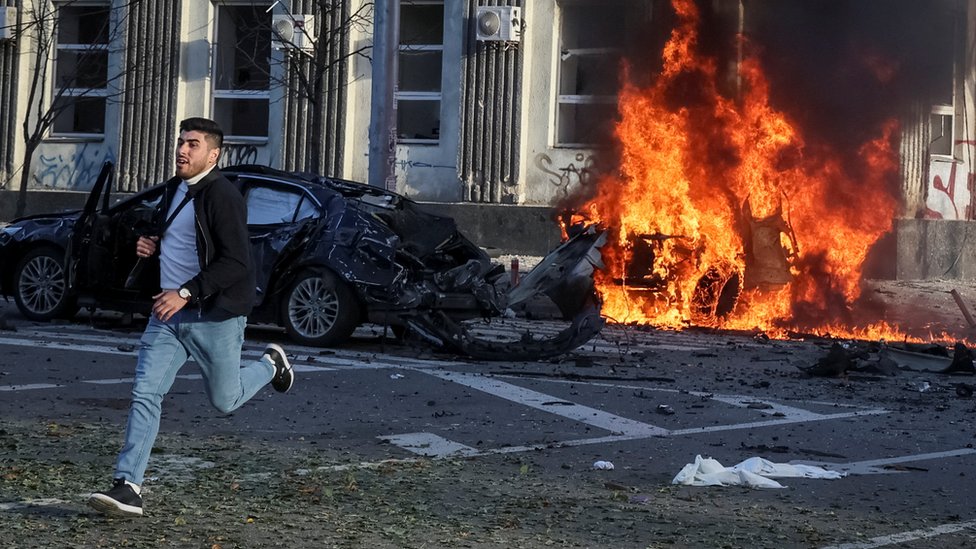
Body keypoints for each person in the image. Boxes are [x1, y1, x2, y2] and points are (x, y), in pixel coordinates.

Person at [88, 117, 294, 517]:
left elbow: (237, 262)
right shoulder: (174, 188)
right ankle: (128, 486)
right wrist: (149, 243)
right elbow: (176, 237)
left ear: (213, 154)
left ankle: (271, 364)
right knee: (145, 393)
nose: (182, 150)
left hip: (212, 316)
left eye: (192, 144)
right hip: (167, 316)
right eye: (181, 142)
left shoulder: (224, 196)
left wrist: (186, 293)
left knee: (225, 400)